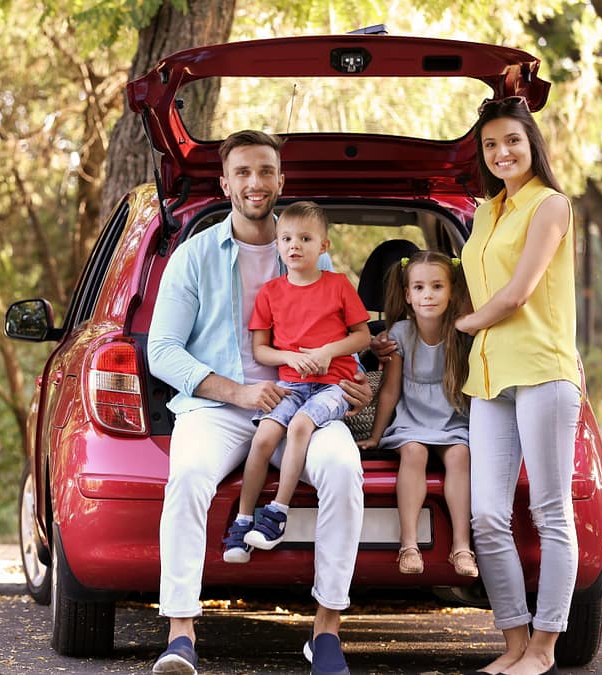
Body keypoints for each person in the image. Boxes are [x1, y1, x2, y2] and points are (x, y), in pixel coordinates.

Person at [147, 130, 371, 675]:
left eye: (266, 171)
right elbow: (161, 351)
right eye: (243, 172)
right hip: (219, 409)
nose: (255, 182)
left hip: (307, 401)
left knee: (343, 469)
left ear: (281, 180)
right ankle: (181, 635)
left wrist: (357, 381)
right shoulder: (193, 257)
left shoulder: (308, 250)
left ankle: (325, 634)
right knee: (188, 477)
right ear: (225, 183)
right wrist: (237, 390)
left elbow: (342, 334)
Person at [455, 96, 579, 675]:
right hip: (489, 376)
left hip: (542, 370)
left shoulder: (551, 205)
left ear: (532, 145)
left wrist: (464, 323)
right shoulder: (485, 212)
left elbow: (517, 292)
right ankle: (513, 644)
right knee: (486, 517)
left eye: (512, 141)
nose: (502, 152)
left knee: (552, 513)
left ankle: (546, 647)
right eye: (490, 145)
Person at [222, 201, 370, 561]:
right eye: (286, 238)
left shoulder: (337, 286)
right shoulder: (271, 293)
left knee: (301, 425)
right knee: (264, 438)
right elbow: (261, 350)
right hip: (291, 384)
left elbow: (362, 337)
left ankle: (277, 512)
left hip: (334, 385)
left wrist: (327, 351)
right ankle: (243, 521)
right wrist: (289, 357)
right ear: (277, 243)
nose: (295, 245)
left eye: (305, 238)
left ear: (323, 246)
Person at [357, 251, 477, 578]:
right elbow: (391, 391)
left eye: (437, 286)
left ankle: (461, 547)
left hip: (451, 421)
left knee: (460, 456)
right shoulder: (399, 334)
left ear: (452, 292)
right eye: (420, 287)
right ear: (408, 295)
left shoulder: (461, 333)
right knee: (413, 452)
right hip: (411, 422)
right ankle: (408, 545)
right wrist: (376, 436)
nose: (428, 295)